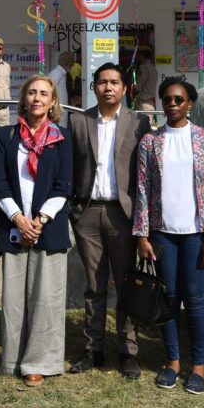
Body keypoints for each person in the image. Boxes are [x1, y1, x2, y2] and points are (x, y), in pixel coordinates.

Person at [135, 77, 204, 395]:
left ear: (190, 104)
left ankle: (198, 366)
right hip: (163, 234)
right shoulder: (150, 141)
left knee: (196, 302)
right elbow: (142, 189)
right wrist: (142, 235)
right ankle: (172, 362)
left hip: (196, 235)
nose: (172, 104)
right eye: (167, 99)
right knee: (168, 299)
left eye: (178, 99)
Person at [66, 63, 151, 380]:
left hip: (123, 214)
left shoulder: (138, 122)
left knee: (125, 285)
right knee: (93, 287)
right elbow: (71, 166)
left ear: (124, 88)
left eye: (114, 82)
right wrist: (74, 211)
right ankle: (93, 349)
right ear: (94, 87)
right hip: (87, 212)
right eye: (102, 82)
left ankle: (128, 351)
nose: (108, 87)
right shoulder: (78, 120)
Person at [0, 75, 72, 387]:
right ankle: (12, 359)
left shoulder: (62, 137)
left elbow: (64, 184)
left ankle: (39, 362)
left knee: (46, 298)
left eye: (44, 93)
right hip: (15, 227)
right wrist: (18, 219)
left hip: (47, 228)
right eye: (32, 92)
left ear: (53, 102)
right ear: (23, 98)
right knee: (13, 299)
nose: (38, 98)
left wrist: (39, 220)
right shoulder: (5, 136)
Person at [46, 50, 74, 120]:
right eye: (72, 62)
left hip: (61, 109)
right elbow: (48, 89)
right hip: (57, 109)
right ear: (67, 62)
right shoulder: (57, 73)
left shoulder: (61, 73)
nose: (73, 65)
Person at [133, 47, 158, 112]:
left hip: (143, 102)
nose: (137, 57)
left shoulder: (143, 67)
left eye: (138, 55)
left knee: (142, 122)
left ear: (142, 55)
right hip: (150, 102)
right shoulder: (153, 68)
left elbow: (138, 87)